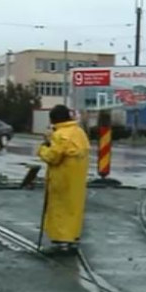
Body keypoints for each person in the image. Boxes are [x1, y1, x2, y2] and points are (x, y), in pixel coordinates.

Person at [37, 105, 90, 254]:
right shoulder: (79, 132)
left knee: (59, 208)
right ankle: (73, 238)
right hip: (77, 181)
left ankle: (61, 242)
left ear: (54, 120)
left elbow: (53, 157)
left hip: (61, 179)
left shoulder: (60, 135)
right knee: (74, 208)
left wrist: (42, 148)